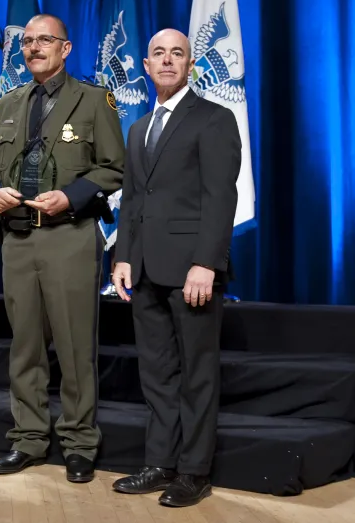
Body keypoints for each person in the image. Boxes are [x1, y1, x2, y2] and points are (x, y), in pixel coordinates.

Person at [0, 14, 125, 483]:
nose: (34, 47)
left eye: (45, 40)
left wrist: (73, 195)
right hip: (17, 239)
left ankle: (80, 443)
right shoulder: (8, 102)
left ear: (66, 49)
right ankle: (28, 439)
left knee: (74, 345)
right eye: (27, 41)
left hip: (69, 235)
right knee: (25, 347)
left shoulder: (93, 99)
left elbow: (113, 167)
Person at [111, 28, 241, 507]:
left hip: (192, 272)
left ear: (191, 65)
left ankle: (193, 471)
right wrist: (123, 256)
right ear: (146, 66)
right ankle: (160, 462)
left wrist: (206, 262)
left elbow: (219, 197)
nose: (167, 61)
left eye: (178, 53)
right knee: (157, 374)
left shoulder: (214, 119)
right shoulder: (139, 127)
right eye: (159, 54)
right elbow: (132, 200)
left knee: (197, 374)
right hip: (143, 269)